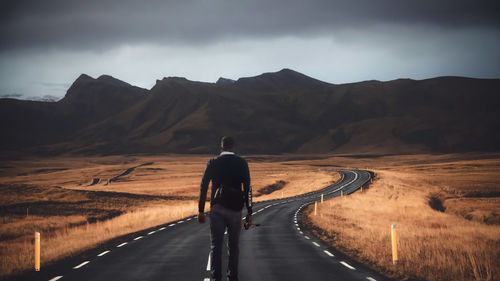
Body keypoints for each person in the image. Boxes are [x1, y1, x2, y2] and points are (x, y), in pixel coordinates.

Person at [198, 136, 253, 281]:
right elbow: (248, 188)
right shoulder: (242, 163)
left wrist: (201, 210)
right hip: (235, 210)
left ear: (221, 147)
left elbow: (203, 187)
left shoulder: (213, 163)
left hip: (216, 209)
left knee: (216, 246)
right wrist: (249, 211)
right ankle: (232, 277)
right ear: (233, 147)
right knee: (233, 246)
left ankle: (216, 278)